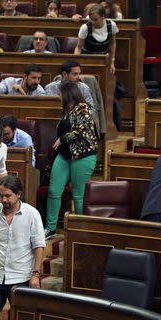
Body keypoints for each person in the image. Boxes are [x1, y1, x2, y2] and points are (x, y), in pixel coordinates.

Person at [0, 175, 45, 320]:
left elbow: (39, 246)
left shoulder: (32, 214)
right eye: (0, 195)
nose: (3, 200)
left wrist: (35, 274)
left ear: (19, 194)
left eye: (8, 196)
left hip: (21, 277)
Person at [45, 80, 98, 239]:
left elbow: (81, 131)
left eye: (60, 93)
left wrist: (62, 139)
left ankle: (81, 229)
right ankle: (51, 228)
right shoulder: (67, 110)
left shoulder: (83, 108)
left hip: (82, 155)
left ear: (67, 94)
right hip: (64, 155)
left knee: (78, 195)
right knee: (54, 191)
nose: (59, 96)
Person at [74, 4, 119, 74]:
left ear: (103, 17)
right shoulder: (85, 27)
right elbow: (78, 48)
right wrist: (76, 64)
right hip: (87, 61)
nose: (93, 22)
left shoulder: (111, 25)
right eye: (91, 19)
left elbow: (113, 44)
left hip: (103, 61)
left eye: (95, 20)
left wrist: (112, 62)